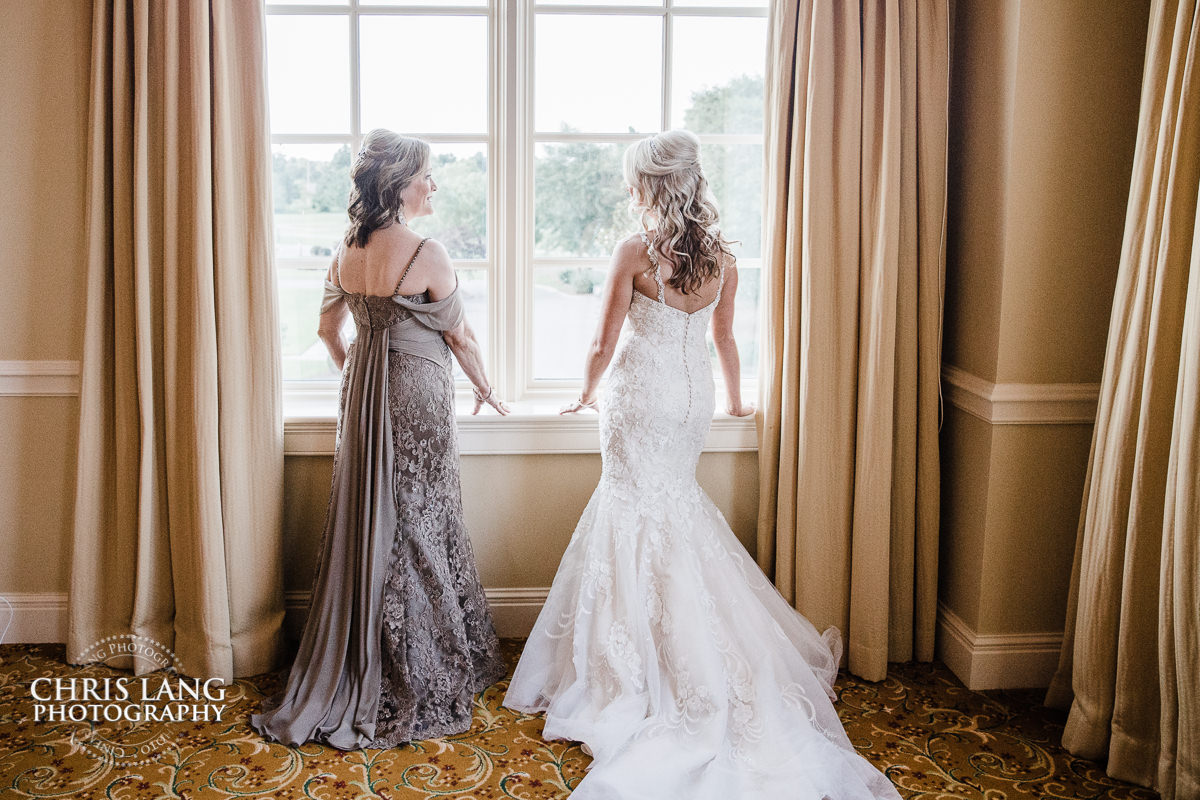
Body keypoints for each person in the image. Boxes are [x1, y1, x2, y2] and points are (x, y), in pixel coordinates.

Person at [503, 130, 902, 799]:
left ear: (649, 186)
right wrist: (739, 399)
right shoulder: (721, 258)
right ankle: (692, 649)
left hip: (638, 397)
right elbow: (723, 338)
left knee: (632, 512)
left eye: (634, 180)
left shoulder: (636, 251)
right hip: (690, 401)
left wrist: (583, 394)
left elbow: (604, 339)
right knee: (675, 513)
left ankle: (634, 666)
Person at [251, 129, 508, 751]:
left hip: (363, 395)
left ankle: (361, 655)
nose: (434, 184)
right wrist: (487, 388)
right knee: (421, 518)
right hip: (417, 396)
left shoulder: (346, 250)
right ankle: (416, 663)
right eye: (427, 174)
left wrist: (359, 383)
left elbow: (326, 329)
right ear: (399, 184)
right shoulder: (427, 253)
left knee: (373, 518)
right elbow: (460, 338)